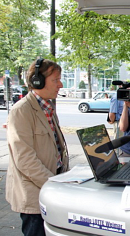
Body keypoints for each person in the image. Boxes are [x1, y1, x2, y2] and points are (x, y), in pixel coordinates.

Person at [6, 59, 69, 236]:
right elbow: (25, 160)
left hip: (50, 186)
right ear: (37, 81)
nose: (60, 84)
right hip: (34, 195)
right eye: (56, 80)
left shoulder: (47, 107)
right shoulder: (21, 111)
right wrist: (53, 184)